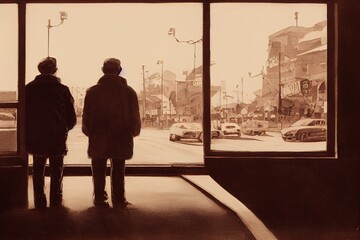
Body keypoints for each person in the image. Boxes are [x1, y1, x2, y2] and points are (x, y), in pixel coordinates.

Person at [82, 58, 141, 208]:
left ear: (103, 70)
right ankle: (119, 198)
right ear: (119, 70)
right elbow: (135, 115)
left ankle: (100, 197)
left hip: (99, 135)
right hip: (121, 135)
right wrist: (134, 131)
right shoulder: (129, 92)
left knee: (98, 167)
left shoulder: (92, 92)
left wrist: (90, 132)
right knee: (119, 167)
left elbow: (86, 117)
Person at [26, 57, 77, 208]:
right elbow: (71, 117)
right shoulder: (63, 90)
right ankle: (56, 199)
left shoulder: (29, 89)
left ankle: (39, 199)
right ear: (55, 71)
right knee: (57, 170)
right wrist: (64, 128)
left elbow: (25, 115)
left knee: (38, 169)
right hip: (56, 135)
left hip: (36, 135)